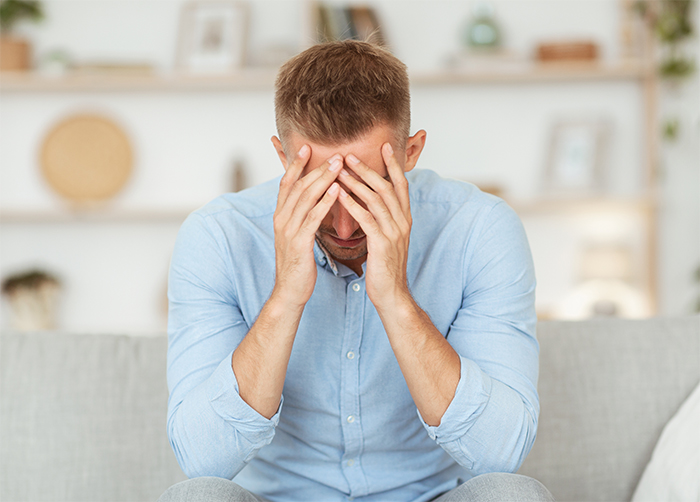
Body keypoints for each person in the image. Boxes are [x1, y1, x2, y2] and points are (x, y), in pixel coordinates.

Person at [159, 40, 554, 502]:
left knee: (514, 495)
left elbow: (500, 453)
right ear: (284, 156)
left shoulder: (478, 228)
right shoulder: (219, 236)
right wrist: (286, 296)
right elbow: (202, 462)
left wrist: (395, 299)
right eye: (321, 188)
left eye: (368, 187)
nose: (345, 225)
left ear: (411, 152)